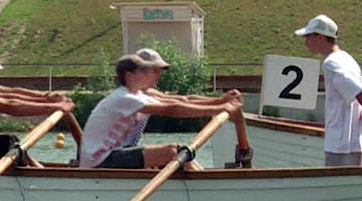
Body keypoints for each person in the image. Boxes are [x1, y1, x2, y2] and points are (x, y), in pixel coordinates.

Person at [80, 50, 242, 169]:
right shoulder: (126, 98)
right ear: (130, 75)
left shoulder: (140, 94)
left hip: (117, 152)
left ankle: (205, 183)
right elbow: (173, 109)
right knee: (173, 151)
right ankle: (209, 188)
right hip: (101, 160)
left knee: (178, 153)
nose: (157, 75)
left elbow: (181, 101)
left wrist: (220, 101)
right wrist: (220, 107)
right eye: (152, 70)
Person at [295, 14, 362, 166]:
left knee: (336, 185)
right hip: (355, 140)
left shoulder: (331, 63)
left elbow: (358, 92)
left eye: (308, 37)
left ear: (320, 37)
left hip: (339, 142)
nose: (306, 42)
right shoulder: (348, 59)